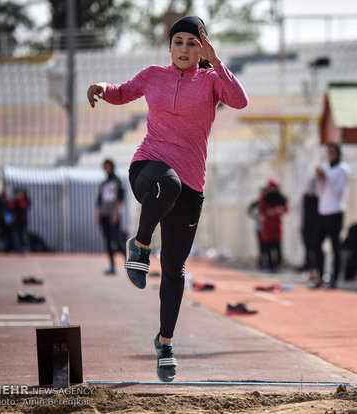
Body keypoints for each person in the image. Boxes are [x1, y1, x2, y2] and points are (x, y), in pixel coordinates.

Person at [86, 15, 247, 382]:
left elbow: (239, 101)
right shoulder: (153, 74)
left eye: (193, 43)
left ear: (202, 48)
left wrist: (217, 61)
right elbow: (123, 91)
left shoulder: (211, 81)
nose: (185, 49)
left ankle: (165, 342)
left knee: (174, 268)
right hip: (149, 169)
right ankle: (140, 245)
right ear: (169, 46)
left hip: (192, 184)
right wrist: (101, 86)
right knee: (167, 185)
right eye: (179, 42)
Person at [313, 143, 350, 289]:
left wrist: (326, 178)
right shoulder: (326, 168)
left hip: (336, 210)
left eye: (333, 153)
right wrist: (320, 179)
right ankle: (320, 275)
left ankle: (334, 278)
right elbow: (319, 192)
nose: (330, 156)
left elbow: (338, 190)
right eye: (329, 153)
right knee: (317, 245)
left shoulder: (343, 169)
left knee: (335, 246)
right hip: (323, 211)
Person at [97, 159, 126, 275]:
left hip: (113, 215)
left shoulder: (118, 181)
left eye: (109, 166)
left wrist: (116, 213)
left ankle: (129, 265)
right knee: (107, 241)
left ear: (112, 167)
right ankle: (112, 266)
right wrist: (98, 215)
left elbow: (120, 199)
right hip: (104, 215)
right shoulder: (103, 183)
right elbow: (99, 201)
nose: (107, 169)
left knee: (118, 241)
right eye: (105, 167)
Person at [258, 178, 288, 272]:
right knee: (268, 246)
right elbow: (263, 209)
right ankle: (270, 265)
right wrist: (274, 211)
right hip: (268, 226)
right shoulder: (265, 197)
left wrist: (275, 211)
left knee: (277, 246)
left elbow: (285, 209)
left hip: (277, 225)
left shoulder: (281, 198)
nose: (272, 188)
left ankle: (278, 265)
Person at [8, 188, 30, 253]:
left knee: (24, 236)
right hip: (16, 222)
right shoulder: (15, 201)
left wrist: (20, 200)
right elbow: (10, 206)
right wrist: (16, 199)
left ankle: (25, 249)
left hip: (23, 222)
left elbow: (24, 206)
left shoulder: (25, 200)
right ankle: (17, 249)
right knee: (16, 237)